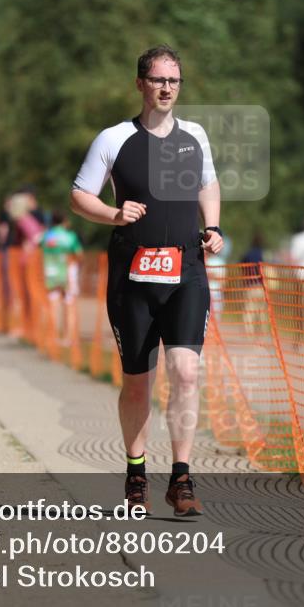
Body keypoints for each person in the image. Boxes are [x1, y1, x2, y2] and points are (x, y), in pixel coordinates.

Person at [70, 44, 222, 516]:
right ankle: (136, 475)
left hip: (187, 271)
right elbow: (79, 196)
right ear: (140, 84)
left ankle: (181, 478)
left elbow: (208, 184)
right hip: (133, 275)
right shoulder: (114, 138)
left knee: (186, 372)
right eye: (158, 80)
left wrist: (213, 227)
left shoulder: (194, 136)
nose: (166, 88)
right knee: (138, 381)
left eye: (173, 81)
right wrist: (115, 213)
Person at [41, 212, 83, 345]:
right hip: (68, 271)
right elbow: (79, 254)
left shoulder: (46, 236)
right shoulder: (69, 236)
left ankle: (52, 335)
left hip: (51, 271)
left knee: (53, 302)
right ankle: (68, 337)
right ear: (64, 221)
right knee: (69, 303)